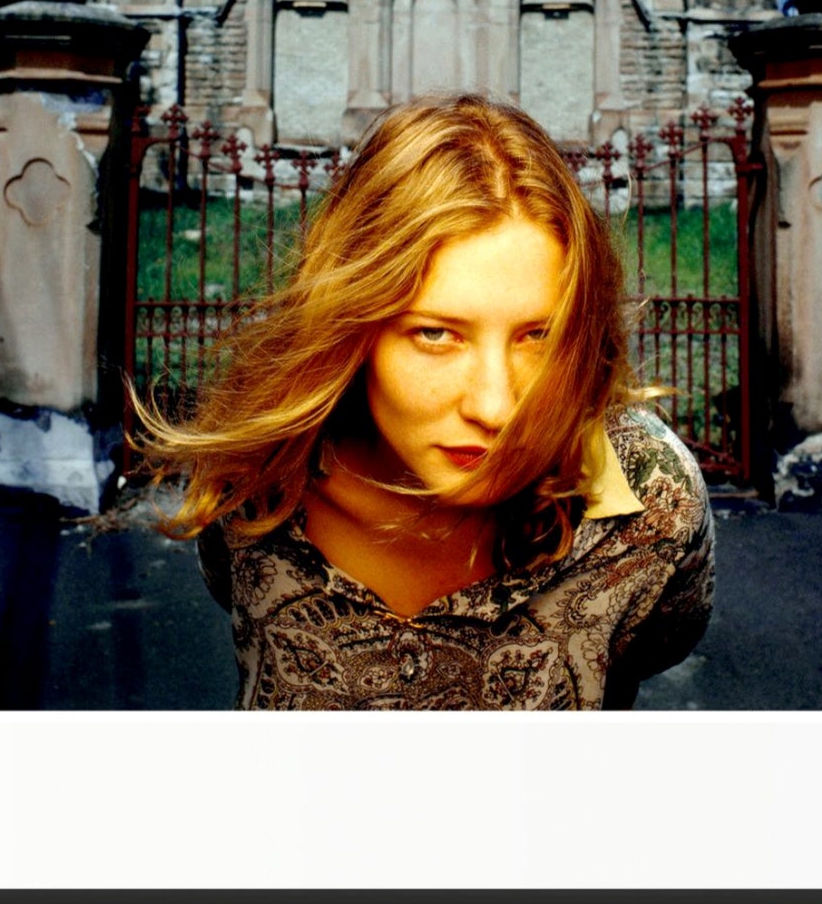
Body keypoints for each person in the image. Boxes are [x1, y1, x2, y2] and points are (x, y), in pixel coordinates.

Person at [139, 95, 714, 710]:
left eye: (537, 335)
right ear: (352, 325)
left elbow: (660, 639)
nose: (496, 408)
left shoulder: (650, 501)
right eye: (436, 334)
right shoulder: (258, 479)